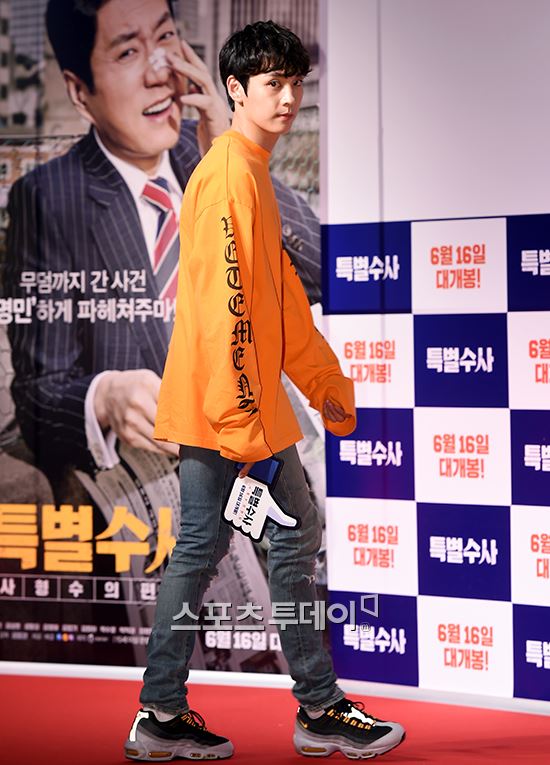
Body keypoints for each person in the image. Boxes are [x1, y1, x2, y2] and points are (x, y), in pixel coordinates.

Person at [124, 20, 406, 762]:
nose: (286, 97)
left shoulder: (248, 172)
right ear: (235, 90)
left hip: (228, 408)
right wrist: (247, 429)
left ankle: (163, 711)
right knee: (290, 536)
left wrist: (324, 383)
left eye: (294, 83)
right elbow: (227, 315)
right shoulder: (228, 175)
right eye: (271, 83)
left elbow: (279, 301)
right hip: (233, 411)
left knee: (203, 548)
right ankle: (317, 706)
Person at [4, 0, 321, 483]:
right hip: (169, 479)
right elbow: (36, 396)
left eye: (165, 37)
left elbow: (323, 275)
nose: (160, 73)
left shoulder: (211, 148)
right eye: (128, 52)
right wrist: (103, 397)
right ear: (80, 92)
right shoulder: (49, 196)